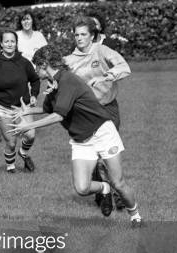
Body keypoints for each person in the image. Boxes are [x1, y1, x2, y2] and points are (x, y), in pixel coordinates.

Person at [8, 45, 142, 228]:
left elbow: (58, 116)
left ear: (44, 64)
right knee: (82, 188)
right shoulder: (54, 84)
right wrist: (28, 110)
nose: (34, 70)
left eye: (36, 66)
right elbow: (49, 109)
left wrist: (29, 125)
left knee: (119, 182)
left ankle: (135, 216)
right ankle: (105, 188)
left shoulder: (67, 80)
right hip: (81, 139)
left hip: (102, 132)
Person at [65, 17, 131, 208]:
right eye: (76, 35)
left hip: (107, 107)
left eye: (83, 34)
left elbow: (124, 67)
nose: (79, 38)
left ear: (92, 35)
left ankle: (116, 192)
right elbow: (62, 80)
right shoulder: (70, 60)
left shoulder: (102, 50)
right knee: (92, 154)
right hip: (85, 113)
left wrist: (105, 77)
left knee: (107, 155)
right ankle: (103, 192)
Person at [0, 30, 40, 173]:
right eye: (6, 41)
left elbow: (35, 79)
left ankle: (23, 152)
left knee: (30, 135)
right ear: (1, 44)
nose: (10, 44)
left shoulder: (24, 62)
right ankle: (10, 167)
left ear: (16, 43)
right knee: (11, 141)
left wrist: (34, 94)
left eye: (12, 41)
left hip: (22, 107)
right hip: (2, 107)